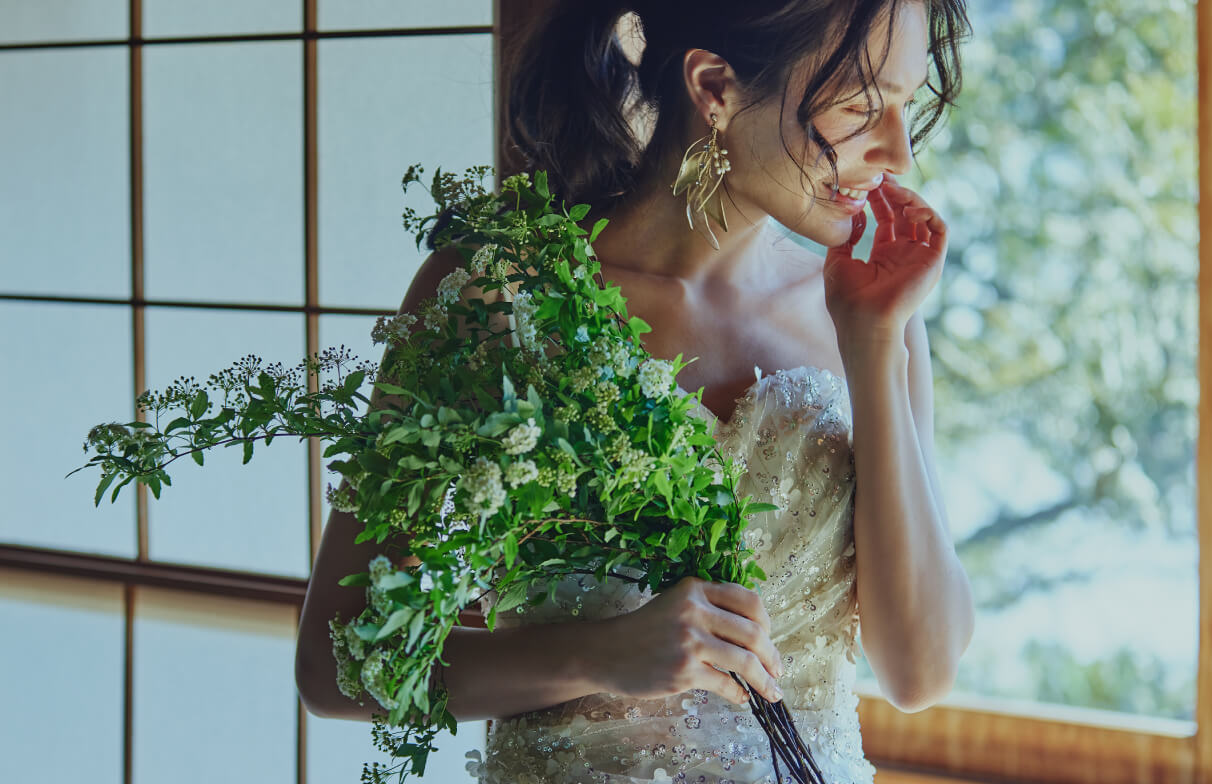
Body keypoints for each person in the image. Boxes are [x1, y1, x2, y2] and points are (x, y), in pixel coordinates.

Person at [297, 0, 976, 781]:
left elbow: (920, 673)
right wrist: (603, 655)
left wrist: (875, 343)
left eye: (906, 104)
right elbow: (336, 664)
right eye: (860, 108)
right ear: (714, 87)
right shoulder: (492, 296)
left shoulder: (874, 314)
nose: (897, 153)